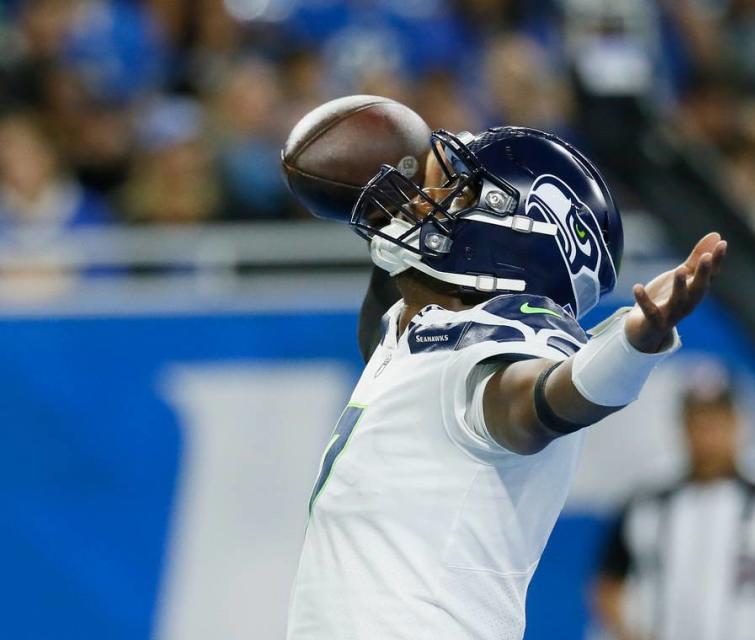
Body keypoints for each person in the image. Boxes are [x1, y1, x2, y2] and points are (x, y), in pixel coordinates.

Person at [285, 126, 727, 638]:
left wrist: (634, 344)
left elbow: (539, 404)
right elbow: (386, 325)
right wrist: (385, 191)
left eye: (460, 191)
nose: (429, 202)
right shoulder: (418, 333)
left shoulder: (502, 339)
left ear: (516, 232)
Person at [593, 364, 755, 640]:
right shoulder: (647, 499)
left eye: (716, 422)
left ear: (736, 422)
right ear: (682, 426)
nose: (707, 436)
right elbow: (609, 580)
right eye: (697, 422)